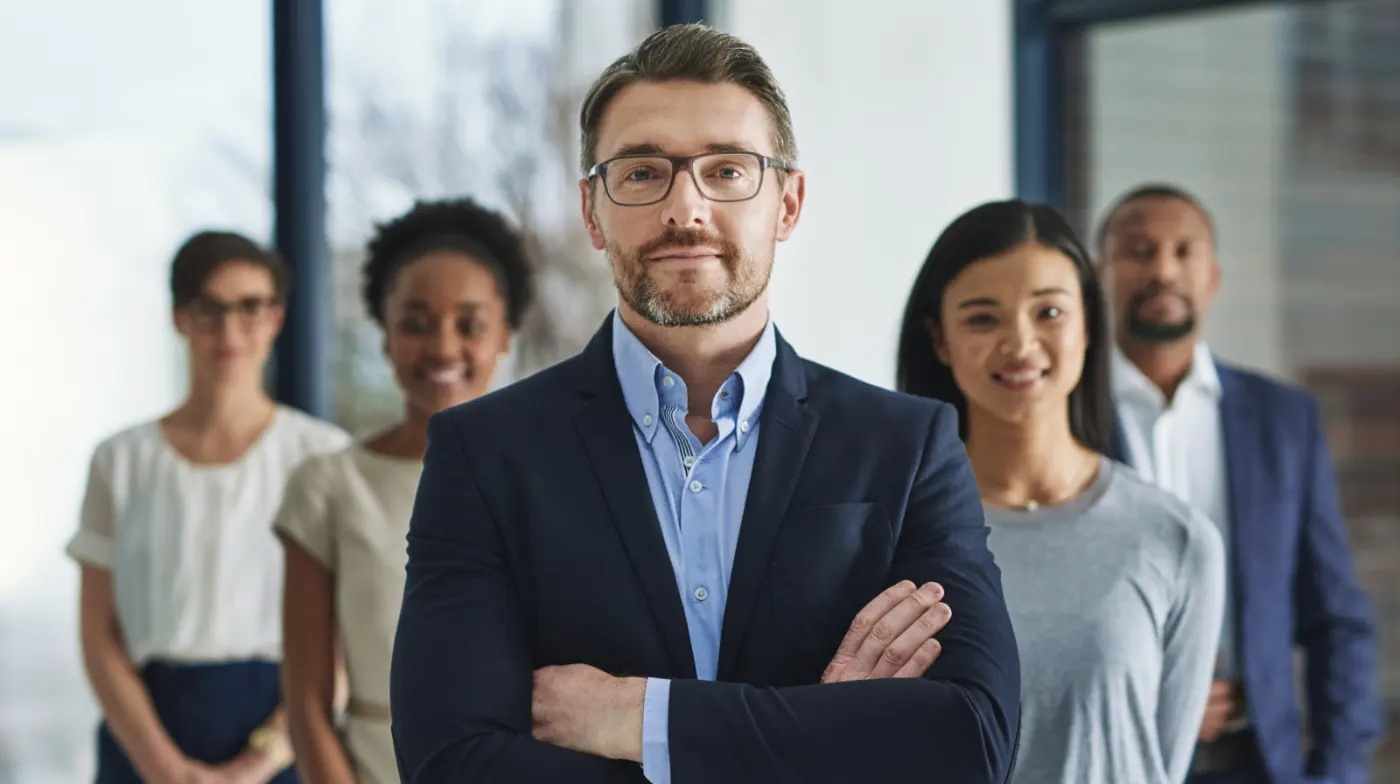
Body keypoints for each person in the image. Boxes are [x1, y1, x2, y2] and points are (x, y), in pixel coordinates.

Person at [389, 22, 1020, 784]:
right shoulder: (483, 454)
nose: (685, 210)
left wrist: (643, 719)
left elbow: (970, 740)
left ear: (787, 203)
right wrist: (820, 739)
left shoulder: (907, 446)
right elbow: (451, 764)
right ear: (593, 211)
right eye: (643, 172)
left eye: (726, 171)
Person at [895, 199, 1225, 783]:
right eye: (981, 318)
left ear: (1089, 324)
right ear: (939, 339)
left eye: (1048, 311)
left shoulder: (1175, 537)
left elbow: (1161, 766)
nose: (1020, 343)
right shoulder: (893, 534)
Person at [1097, 184, 1380, 784]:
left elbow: (1336, 619)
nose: (1162, 269)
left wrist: (1337, 772)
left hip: (1256, 763)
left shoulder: (1283, 420)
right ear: (1101, 272)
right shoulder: (1064, 417)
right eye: (1139, 250)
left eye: (1184, 251)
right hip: (1111, 760)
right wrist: (1157, 700)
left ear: (1214, 275)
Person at [68, 231, 351, 783]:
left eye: (250, 308)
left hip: (286, 738)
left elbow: (341, 638)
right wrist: (164, 767)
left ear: (277, 317)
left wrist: (257, 764)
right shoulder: (119, 461)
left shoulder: (321, 456)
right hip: (145, 739)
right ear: (179, 318)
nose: (229, 331)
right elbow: (99, 633)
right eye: (208, 309)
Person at [274, 198, 534, 783]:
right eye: (415, 323)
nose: (442, 347)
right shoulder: (329, 487)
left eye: (469, 324)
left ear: (504, 337)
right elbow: (308, 704)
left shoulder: (550, 481)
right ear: (386, 337)